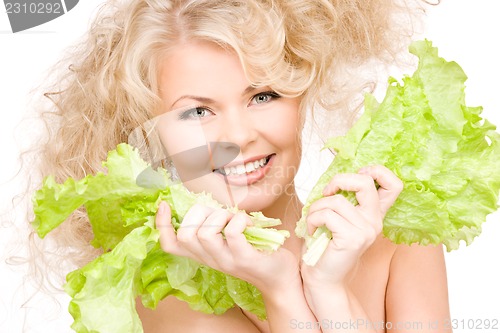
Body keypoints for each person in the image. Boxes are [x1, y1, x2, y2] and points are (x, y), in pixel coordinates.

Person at [29, 0, 451, 332]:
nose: (240, 136)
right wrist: (282, 289)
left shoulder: (391, 232)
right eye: (197, 112)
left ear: (301, 96)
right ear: (152, 141)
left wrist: (328, 288)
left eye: (263, 96)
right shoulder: (170, 288)